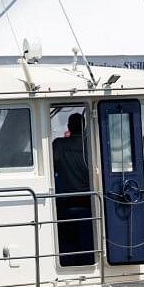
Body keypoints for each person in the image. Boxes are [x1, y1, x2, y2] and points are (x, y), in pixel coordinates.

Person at [53, 113, 94, 267]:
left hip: (66, 202)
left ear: (69, 127)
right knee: (87, 243)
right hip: (88, 202)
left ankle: (70, 265)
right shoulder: (90, 145)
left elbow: (53, 165)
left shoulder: (59, 145)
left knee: (67, 243)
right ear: (83, 127)